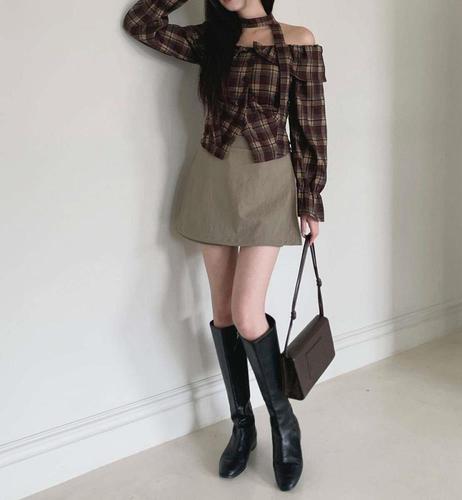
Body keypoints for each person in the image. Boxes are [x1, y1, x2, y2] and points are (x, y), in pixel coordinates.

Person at [123, 0, 328, 491]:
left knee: (246, 313)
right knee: (222, 312)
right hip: (212, 179)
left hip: (268, 183)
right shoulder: (209, 39)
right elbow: (141, 23)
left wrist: (311, 199)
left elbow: (310, 128)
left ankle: (284, 424)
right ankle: (243, 426)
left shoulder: (297, 40)